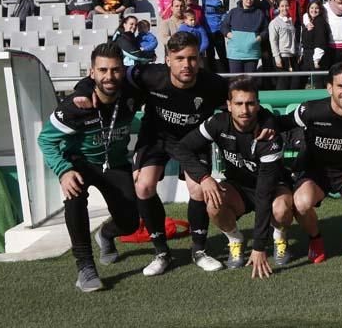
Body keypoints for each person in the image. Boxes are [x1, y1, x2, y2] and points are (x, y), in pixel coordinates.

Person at [73, 32, 232, 276]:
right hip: (155, 137)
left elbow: (242, 96)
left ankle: (199, 251)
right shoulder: (148, 75)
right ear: (167, 59)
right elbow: (109, 76)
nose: (186, 64)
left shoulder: (214, 84)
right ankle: (161, 253)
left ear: (199, 59)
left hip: (192, 140)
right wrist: (82, 88)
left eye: (191, 58)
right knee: (143, 187)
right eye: (179, 58)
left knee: (198, 188)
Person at [38, 43, 140, 292]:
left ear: (123, 70)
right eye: (102, 70)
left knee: (130, 224)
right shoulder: (76, 105)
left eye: (115, 70)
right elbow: (45, 139)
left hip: (115, 164)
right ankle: (85, 267)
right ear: (91, 72)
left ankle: (106, 234)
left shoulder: (131, 95)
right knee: (74, 196)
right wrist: (63, 170)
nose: (109, 76)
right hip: (80, 163)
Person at [174, 76, 294, 277]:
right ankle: (235, 240)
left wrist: (258, 247)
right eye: (238, 103)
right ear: (229, 105)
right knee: (212, 201)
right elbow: (182, 148)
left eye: (250, 103)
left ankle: (280, 237)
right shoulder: (218, 123)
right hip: (238, 187)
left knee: (280, 209)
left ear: (257, 105)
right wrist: (205, 177)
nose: (244, 110)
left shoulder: (269, 135)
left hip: (271, 188)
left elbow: (264, 194)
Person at [282, 63, 342, 262]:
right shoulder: (311, 110)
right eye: (341, 86)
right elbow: (281, 123)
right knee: (301, 203)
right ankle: (315, 237)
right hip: (315, 172)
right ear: (330, 88)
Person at [221, 0, 268, 74]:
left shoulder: (259, 13)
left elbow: (265, 29)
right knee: (236, 80)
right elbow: (224, 26)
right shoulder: (233, 12)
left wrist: (259, 38)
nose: (249, 0)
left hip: (252, 53)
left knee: (249, 80)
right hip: (235, 53)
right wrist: (229, 35)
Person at [267, 0, 298, 90]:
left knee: (294, 83)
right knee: (283, 82)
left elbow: (294, 39)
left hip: (292, 56)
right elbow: (273, 41)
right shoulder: (274, 23)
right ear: (279, 8)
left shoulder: (290, 22)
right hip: (281, 56)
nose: (285, 8)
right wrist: (277, 57)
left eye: (287, 6)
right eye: (282, 6)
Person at [200, 0, 228, 72]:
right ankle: (212, 74)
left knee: (222, 54)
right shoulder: (202, 1)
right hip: (207, 32)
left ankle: (227, 73)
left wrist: (221, 26)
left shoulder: (218, 2)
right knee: (210, 55)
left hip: (217, 31)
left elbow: (223, 15)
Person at [300, 0, 328, 80]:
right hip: (306, 55)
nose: (314, 10)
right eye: (311, 8)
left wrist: (316, 60)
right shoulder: (309, 21)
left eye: (316, 8)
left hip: (315, 56)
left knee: (317, 81)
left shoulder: (319, 22)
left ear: (320, 10)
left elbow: (320, 41)